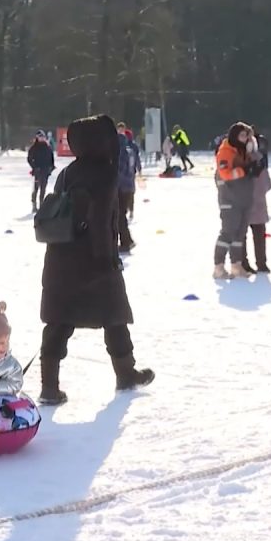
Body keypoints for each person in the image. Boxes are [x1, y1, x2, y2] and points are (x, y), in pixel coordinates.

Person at [38, 115, 155, 406]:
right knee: (114, 317)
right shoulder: (105, 174)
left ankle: (49, 386)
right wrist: (106, 260)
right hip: (94, 259)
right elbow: (102, 220)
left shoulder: (68, 173)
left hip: (61, 258)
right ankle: (125, 373)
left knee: (59, 321)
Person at [213, 122, 255, 279]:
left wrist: (253, 168)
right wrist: (244, 171)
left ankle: (236, 265)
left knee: (240, 233)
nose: (245, 139)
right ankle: (218, 267)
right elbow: (225, 173)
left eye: (246, 136)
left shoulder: (242, 152)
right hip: (230, 199)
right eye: (242, 136)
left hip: (243, 198)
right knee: (228, 232)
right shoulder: (226, 151)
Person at [244, 131, 271, 274]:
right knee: (259, 235)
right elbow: (267, 184)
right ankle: (261, 263)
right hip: (258, 203)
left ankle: (243, 262)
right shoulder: (260, 159)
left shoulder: (238, 159)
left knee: (241, 235)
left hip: (242, 203)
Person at [116, 122, 140, 253]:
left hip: (121, 187)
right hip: (129, 184)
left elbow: (119, 170)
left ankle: (126, 241)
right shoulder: (130, 150)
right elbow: (134, 165)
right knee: (121, 215)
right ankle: (127, 240)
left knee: (119, 215)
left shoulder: (120, 152)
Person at [28, 130, 56, 212]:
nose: (42, 138)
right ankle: (34, 205)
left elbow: (51, 157)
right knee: (36, 188)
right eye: (40, 137)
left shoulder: (47, 147)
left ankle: (41, 204)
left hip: (45, 170)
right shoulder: (34, 148)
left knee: (43, 188)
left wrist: (51, 167)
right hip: (38, 171)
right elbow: (29, 159)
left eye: (43, 137)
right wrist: (34, 167)